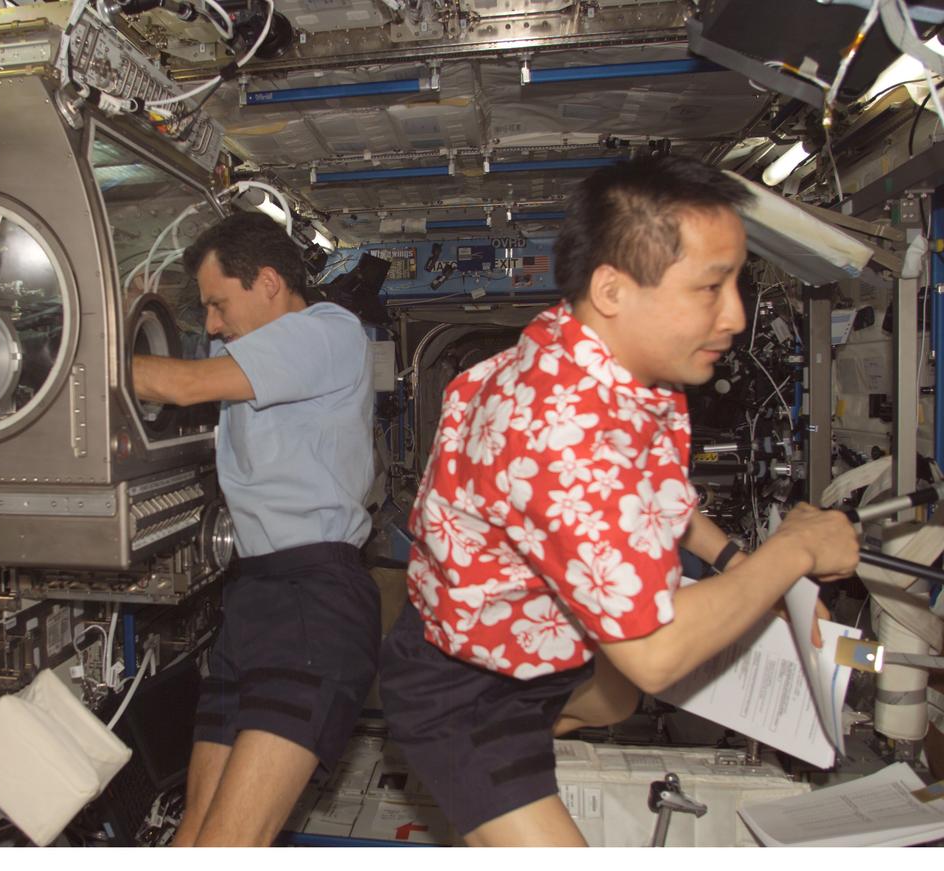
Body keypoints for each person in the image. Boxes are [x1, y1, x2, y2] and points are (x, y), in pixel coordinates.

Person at [378, 155, 860, 846]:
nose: (735, 315)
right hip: (463, 693)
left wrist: (734, 557)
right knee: (635, 680)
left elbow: (651, 497)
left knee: (618, 695)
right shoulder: (561, 432)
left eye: (738, 282)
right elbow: (656, 650)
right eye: (710, 286)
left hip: (541, 652)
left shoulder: (603, 355)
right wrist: (794, 550)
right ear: (612, 289)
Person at [132, 210, 379, 846]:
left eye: (218, 303)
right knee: (194, 832)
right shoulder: (238, 348)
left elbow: (181, 385)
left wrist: (67, 354)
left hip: (314, 600)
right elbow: (176, 360)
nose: (212, 323)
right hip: (254, 597)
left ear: (269, 281)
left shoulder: (327, 332)